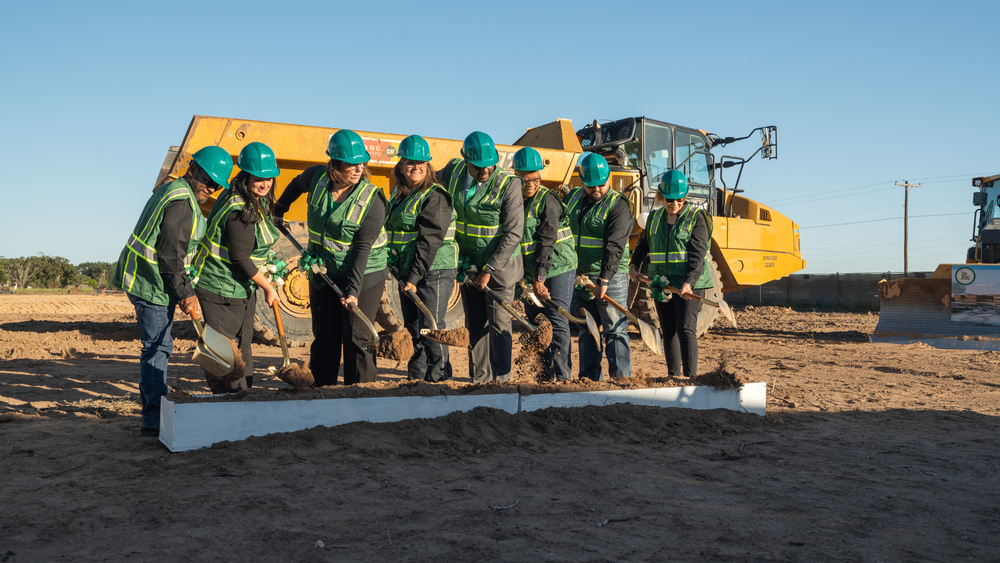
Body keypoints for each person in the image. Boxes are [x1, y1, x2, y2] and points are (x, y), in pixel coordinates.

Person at [113, 145, 232, 436]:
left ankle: (156, 408)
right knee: (157, 347)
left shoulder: (177, 191)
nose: (212, 189)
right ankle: (153, 417)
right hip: (150, 282)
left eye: (217, 185)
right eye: (210, 181)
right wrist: (185, 292)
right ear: (193, 170)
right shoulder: (181, 202)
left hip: (154, 280)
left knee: (158, 345)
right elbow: (170, 256)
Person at [273, 130, 388, 386]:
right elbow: (295, 185)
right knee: (325, 332)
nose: (358, 168)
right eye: (351, 163)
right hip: (324, 269)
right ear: (335, 163)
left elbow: (362, 250)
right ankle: (322, 388)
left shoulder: (372, 200)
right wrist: (279, 209)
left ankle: (361, 391)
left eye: (362, 162)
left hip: (365, 273)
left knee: (357, 336)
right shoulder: (317, 178)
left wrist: (353, 292)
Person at [189, 142, 282, 393]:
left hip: (240, 287)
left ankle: (245, 395)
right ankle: (226, 401)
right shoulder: (238, 209)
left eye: (269, 178)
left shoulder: (252, 200)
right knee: (224, 352)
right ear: (246, 176)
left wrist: (265, 277)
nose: (265, 183)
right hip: (220, 287)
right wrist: (267, 286)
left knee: (242, 346)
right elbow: (240, 257)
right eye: (258, 178)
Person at [437, 131, 524, 383]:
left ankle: (502, 381)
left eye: (490, 165)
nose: (485, 170)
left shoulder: (509, 184)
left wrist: (489, 270)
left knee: (498, 325)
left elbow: (513, 234)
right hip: (468, 266)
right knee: (475, 325)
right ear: (466, 160)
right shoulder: (453, 171)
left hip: (500, 268)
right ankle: (480, 381)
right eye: (478, 167)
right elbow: (428, 180)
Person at [386, 135, 457, 382]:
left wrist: (413, 278)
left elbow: (429, 243)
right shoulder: (400, 193)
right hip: (409, 271)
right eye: (409, 162)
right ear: (401, 165)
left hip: (433, 271)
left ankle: (439, 380)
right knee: (413, 328)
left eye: (421, 163)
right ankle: (416, 381)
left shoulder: (435, 196)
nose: (415, 167)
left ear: (427, 166)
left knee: (431, 328)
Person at [629, 170, 712, 378]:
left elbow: (697, 256)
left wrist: (689, 283)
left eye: (679, 199)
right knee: (668, 330)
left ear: (685, 196)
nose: (674, 203)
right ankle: (673, 377)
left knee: (685, 328)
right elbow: (643, 246)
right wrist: (634, 265)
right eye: (669, 199)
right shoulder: (655, 217)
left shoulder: (697, 218)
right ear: (660, 196)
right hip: (661, 283)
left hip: (688, 284)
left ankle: (690, 378)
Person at [566, 153, 633, 380]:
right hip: (580, 275)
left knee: (614, 329)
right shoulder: (573, 198)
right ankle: (589, 380)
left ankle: (621, 381)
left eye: (601, 185)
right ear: (582, 181)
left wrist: (604, 280)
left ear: (609, 179)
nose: (597, 189)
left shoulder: (619, 206)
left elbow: (614, 246)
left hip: (610, 276)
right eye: (590, 185)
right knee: (587, 329)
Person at [513, 146, 577, 381]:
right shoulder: (516, 201)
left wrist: (539, 279)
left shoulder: (548, 200)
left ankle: (562, 378)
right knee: (537, 324)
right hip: (532, 272)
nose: (531, 183)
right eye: (525, 179)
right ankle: (542, 377)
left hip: (557, 268)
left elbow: (546, 242)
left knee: (557, 322)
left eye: (535, 178)